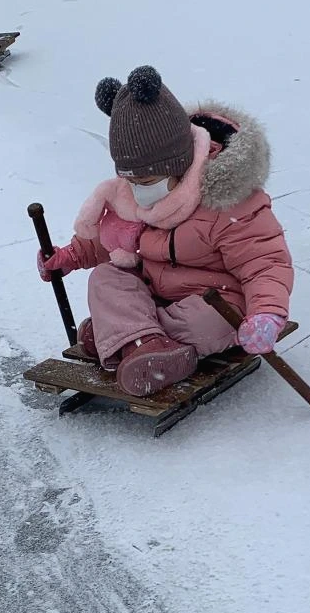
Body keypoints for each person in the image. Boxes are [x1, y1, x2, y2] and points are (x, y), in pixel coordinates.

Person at [38, 66, 293, 398]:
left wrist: (266, 315)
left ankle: (127, 336)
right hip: (156, 293)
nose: (138, 190)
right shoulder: (131, 193)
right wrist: (70, 257)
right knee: (106, 277)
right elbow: (112, 240)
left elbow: (264, 263)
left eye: (146, 182)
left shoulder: (229, 202)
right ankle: (143, 341)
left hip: (216, 300)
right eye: (131, 181)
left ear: (177, 165)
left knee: (203, 324)